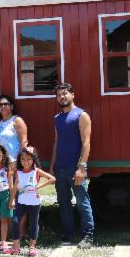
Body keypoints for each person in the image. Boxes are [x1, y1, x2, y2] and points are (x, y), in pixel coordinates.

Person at [50, 82, 94, 248]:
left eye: (65, 93)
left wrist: (82, 167)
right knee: (64, 203)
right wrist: (52, 167)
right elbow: (57, 143)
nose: (62, 97)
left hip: (75, 167)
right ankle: (67, 234)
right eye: (59, 95)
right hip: (60, 168)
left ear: (72, 95)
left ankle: (88, 236)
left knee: (82, 202)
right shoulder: (57, 118)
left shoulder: (81, 115)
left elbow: (86, 143)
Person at [7, 146, 55, 256]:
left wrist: (39, 187)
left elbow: (52, 179)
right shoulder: (18, 172)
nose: (26, 162)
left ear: (33, 159)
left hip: (34, 202)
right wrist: (12, 200)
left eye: (29, 159)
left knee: (33, 223)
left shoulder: (36, 171)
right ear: (19, 160)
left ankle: (32, 247)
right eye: (23, 159)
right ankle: (16, 247)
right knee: (15, 221)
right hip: (21, 202)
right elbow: (15, 187)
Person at [0, 94, 28, 162]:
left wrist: (20, 161)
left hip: (13, 162)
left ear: (12, 107)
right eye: (0, 105)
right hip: (0, 162)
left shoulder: (17, 121)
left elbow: (24, 142)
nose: (3, 106)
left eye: (6, 104)